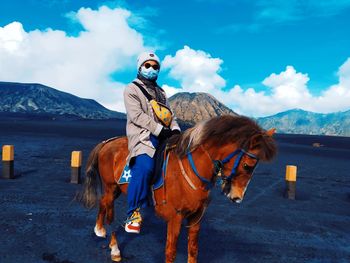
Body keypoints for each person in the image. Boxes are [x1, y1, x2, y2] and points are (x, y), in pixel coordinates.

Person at [123, 51, 181, 234]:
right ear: (140, 67)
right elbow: (137, 115)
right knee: (145, 167)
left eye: (155, 66)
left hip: (164, 135)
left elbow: (170, 115)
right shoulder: (131, 89)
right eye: (147, 65)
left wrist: (176, 129)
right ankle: (133, 213)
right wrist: (159, 130)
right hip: (143, 136)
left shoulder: (161, 92)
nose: (151, 69)